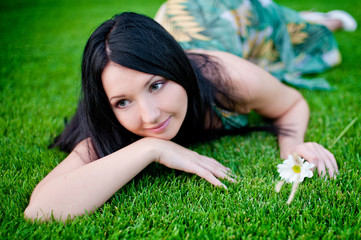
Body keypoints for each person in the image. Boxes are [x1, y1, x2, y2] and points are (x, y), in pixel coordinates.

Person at [24, 0, 355, 221]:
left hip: (227, 16)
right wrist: (151, 147)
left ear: (176, 70)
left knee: (305, 40)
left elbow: (291, 103)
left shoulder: (229, 77)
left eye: (156, 85)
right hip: (174, 28)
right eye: (123, 101)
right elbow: (40, 210)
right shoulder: (112, 119)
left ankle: (319, 18)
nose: (150, 116)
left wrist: (292, 151)